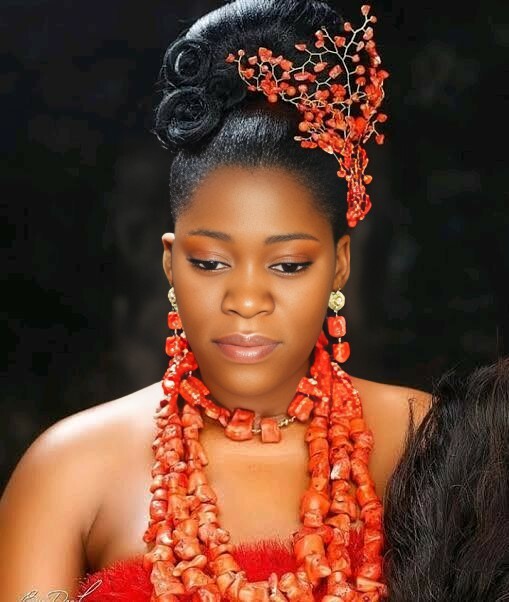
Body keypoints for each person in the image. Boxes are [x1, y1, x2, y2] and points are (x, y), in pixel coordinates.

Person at [0, 1, 505, 600]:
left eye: (288, 265)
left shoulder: (432, 444)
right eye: (210, 262)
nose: (245, 300)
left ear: (340, 262)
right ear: (169, 262)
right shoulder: (69, 470)